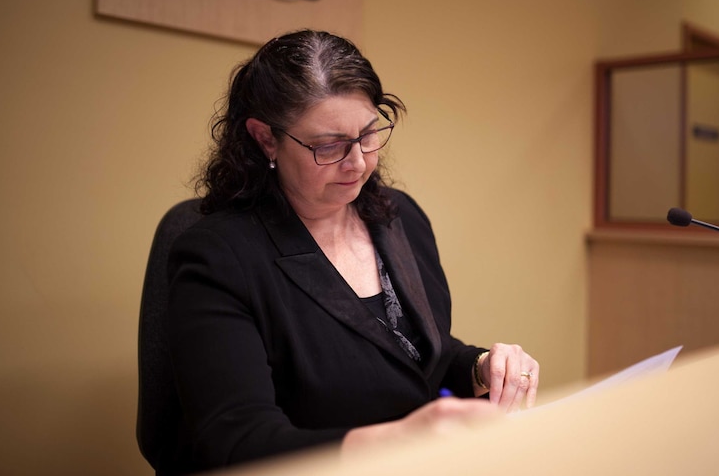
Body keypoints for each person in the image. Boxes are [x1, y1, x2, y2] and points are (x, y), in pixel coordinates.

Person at [165, 29, 539, 474]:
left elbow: (413, 354)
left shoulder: (399, 217)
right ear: (266, 139)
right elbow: (236, 442)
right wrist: (396, 440)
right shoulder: (219, 256)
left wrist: (479, 367)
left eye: (368, 134)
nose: (358, 161)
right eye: (329, 146)